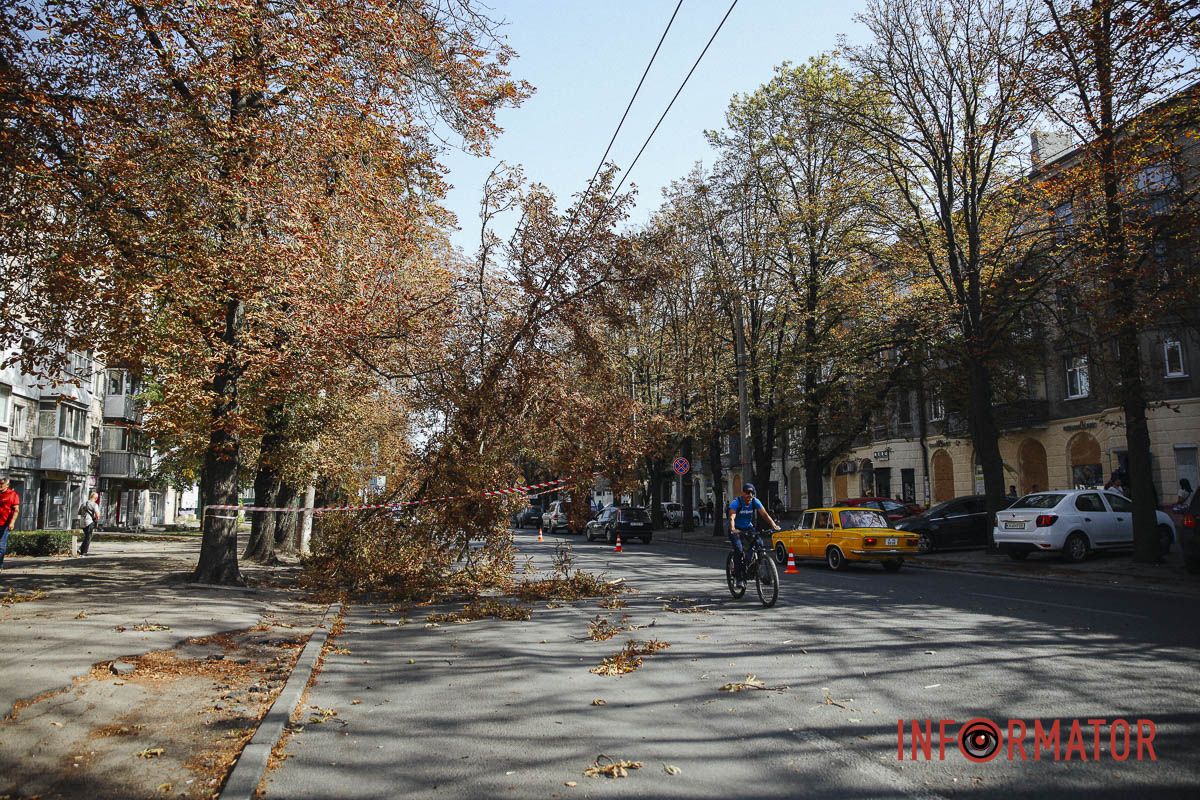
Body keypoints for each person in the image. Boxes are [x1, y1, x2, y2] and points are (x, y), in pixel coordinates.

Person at [727, 483, 781, 587]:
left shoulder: (755, 501)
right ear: (743, 493)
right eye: (748, 493)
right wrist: (733, 529)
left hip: (748, 528)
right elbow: (731, 517)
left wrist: (773, 525)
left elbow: (764, 514)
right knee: (739, 550)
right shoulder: (736, 503)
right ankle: (739, 578)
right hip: (736, 529)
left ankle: (760, 572)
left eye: (752, 493)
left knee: (760, 545)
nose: (750, 495)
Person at [0, 476, 22, 570]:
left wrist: (12, 522)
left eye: (1, 484)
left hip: (4, 524)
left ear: (7, 484)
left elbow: (16, 510)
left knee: (1, 546)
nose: (0, 486)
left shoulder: (12, 494)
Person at [79, 491, 101, 555]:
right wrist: (97, 519)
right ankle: (84, 552)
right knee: (88, 537)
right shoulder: (94, 504)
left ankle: (80, 549)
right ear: (96, 498)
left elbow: (80, 512)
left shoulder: (83, 504)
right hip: (89, 522)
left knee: (86, 536)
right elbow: (97, 515)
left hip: (82, 522)